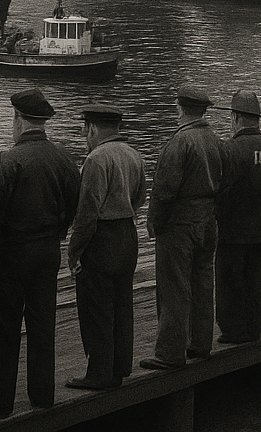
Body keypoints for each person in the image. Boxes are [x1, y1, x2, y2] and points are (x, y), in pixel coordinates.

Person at [0, 90, 80, 415]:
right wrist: (57, 232)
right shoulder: (63, 158)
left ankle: (0, 401)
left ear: (18, 120)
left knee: (4, 328)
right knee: (42, 325)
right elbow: (74, 205)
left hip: (11, 255)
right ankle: (43, 395)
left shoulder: (7, 160)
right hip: (47, 252)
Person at [142, 86, 225, 368]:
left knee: (174, 287)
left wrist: (154, 221)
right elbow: (227, 180)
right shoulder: (216, 139)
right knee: (203, 282)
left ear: (180, 108)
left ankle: (170, 352)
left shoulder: (179, 142)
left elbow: (164, 190)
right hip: (208, 220)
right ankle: (201, 343)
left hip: (180, 225)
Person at [67, 104, 147, 391]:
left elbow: (88, 211)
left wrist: (74, 250)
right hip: (127, 234)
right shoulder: (134, 154)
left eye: (84, 129)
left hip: (102, 238)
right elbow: (141, 196)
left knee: (97, 307)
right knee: (122, 304)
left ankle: (99, 372)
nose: (83, 135)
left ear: (93, 128)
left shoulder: (96, 159)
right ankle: (120, 367)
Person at [215, 91, 261, 343]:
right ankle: (253, 327)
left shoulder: (231, 148)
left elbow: (222, 189)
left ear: (236, 117)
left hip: (234, 229)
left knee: (230, 281)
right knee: (255, 280)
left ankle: (232, 329)